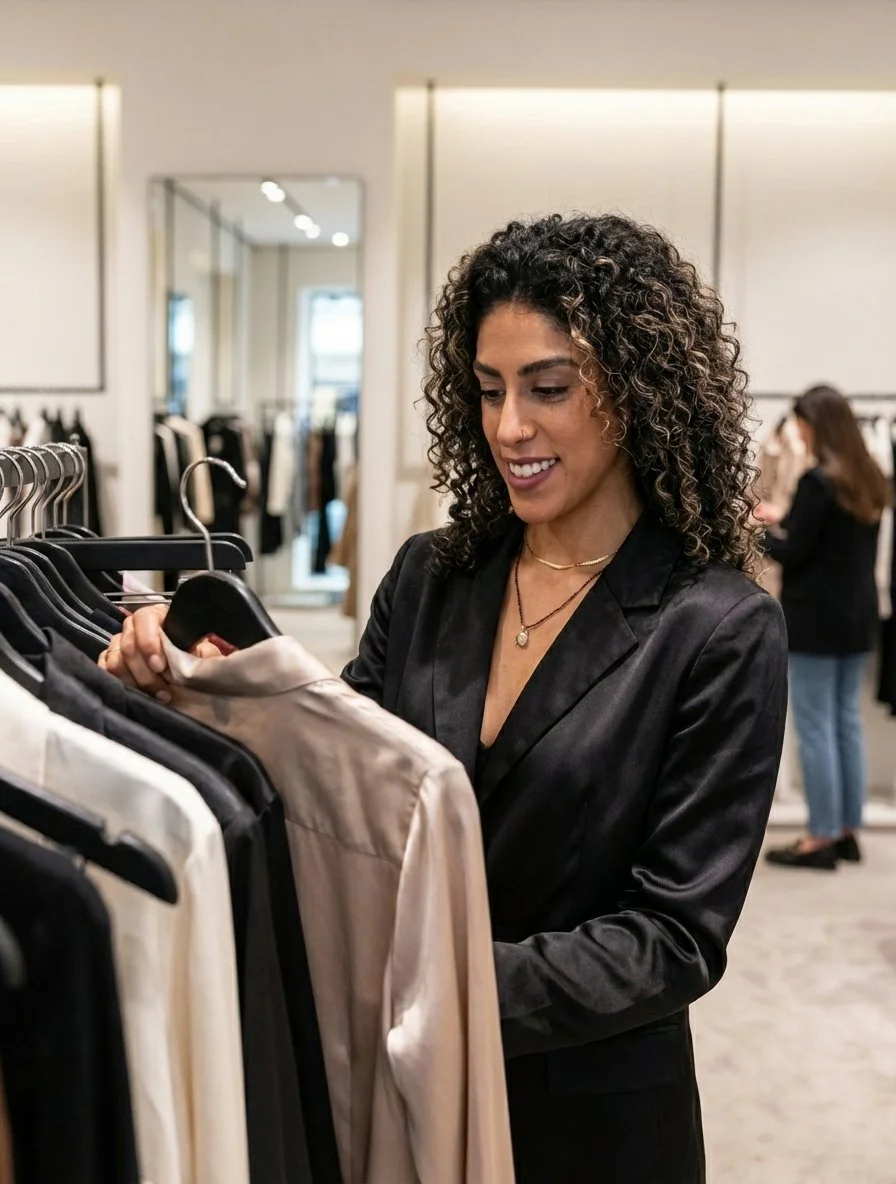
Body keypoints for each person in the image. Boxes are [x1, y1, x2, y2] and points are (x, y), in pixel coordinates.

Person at [101, 214, 788, 1184]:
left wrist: (439, 989)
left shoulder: (714, 627)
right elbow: (338, 784)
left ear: (636, 390)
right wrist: (190, 688)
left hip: (582, 1118)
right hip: (389, 1087)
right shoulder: (432, 575)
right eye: (487, 389)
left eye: (547, 387)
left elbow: (671, 936)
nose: (509, 426)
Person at [757, 385, 890, 872]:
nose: (799, 435)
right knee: (844, 724)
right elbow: (830, 540)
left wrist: (756, 529)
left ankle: (819, 839)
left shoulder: (818, 481)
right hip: (857, 616)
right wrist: (784, 520)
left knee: (814, 728)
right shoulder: (870, 478)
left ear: (817, 425)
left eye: (802, 426)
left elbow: (795, 551)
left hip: (814, 618)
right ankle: (847, 830)